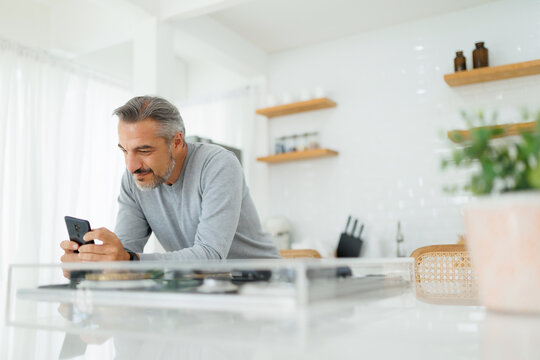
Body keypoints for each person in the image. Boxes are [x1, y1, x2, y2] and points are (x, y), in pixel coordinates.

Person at [60, 96, 280, 264]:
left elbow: (211, 257)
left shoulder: (218, 164)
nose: (131, 166)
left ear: (176, 142)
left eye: (143, 150)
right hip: (202, 289)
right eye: (124, 151)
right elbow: (125, 253)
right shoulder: (133, 180)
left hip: (261, 285)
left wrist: (129, 261)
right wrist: (92, 263)